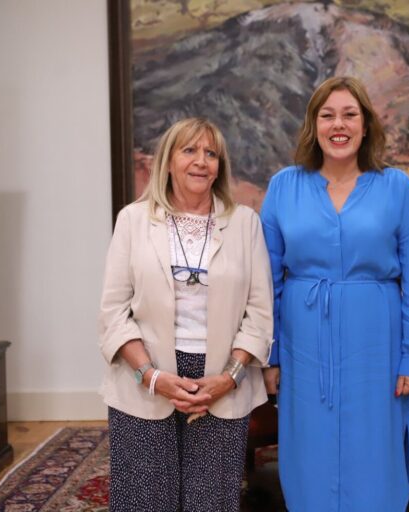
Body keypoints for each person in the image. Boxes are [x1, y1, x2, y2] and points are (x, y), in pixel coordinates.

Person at [260, 76, 409, 511]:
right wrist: (272, 355)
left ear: (366, 124)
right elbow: (266, 280)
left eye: (350, 114)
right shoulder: (283, 186)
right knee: (310, 449)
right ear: (313, 125)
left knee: (374, 448)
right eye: (328, 114)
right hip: (303, 345)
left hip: (377, 343)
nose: (339, 124)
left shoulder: (398, 188)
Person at [98, 117, 273, 512]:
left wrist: (229, 378)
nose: (201, 161)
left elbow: (260, 313)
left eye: (211, 153)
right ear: (169, 161)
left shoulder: (245, 223)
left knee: (210, 500)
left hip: (221, 380)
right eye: (190, 150)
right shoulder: (133, 219)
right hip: (143, 376)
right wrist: (151, 376)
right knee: (144, 500)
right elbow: (113, 311)